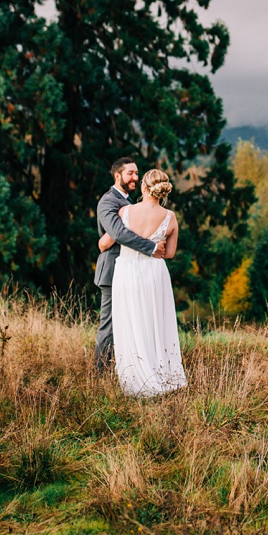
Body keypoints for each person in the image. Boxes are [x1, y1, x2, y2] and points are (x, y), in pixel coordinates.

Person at [97, 168, 186, 397]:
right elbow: (170, 254)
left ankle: (136, 378)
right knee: (156, 322)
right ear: (162, 191)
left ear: (144, 188)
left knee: (130, 322)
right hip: (155, 273)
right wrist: (155, 245)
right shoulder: (170, 217)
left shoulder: (126, 212)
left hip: (127, 272)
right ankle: (164, 376)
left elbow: (105, 243)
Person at [94, 158, 166, 372]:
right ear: (118, 175)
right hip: (112, 270)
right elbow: (118, 233)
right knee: (110, 326)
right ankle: (101, 373)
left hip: (133, 272)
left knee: (133, 323)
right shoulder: (108, 202)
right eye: (130, 173)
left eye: (137, 173)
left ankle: (131, 370)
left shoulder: (131, 204)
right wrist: (152, 247)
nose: (135, 177)